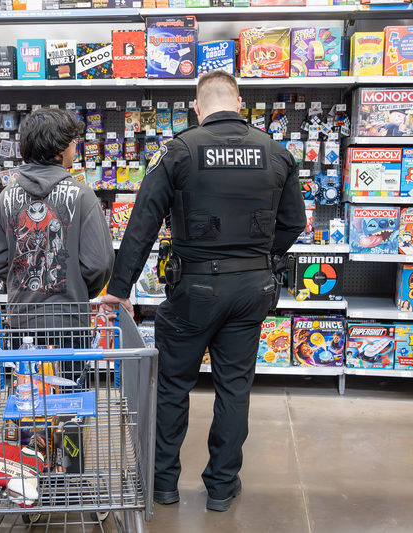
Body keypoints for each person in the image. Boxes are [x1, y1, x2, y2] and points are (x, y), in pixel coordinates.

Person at [101, 70, 305, 512]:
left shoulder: (177, 151)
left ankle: (163, 485)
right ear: (240, 101)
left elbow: (142, 226)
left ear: (197, 106)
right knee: (234, 387)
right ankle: (220, 487)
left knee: (173, 385)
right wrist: (258, 258)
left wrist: (119, 288)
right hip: (253, 289)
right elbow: (294, 223)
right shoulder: (276, 152)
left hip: (194, 288)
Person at [0, 107, 114, 332]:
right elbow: (99, 263)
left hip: (21, 322)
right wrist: (78, 287)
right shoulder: (83, 195)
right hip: (71, 321)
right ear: (60, 148)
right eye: (73, 140)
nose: (76, 144)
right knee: (71, 369)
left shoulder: (5, 197)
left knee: (25, 369)